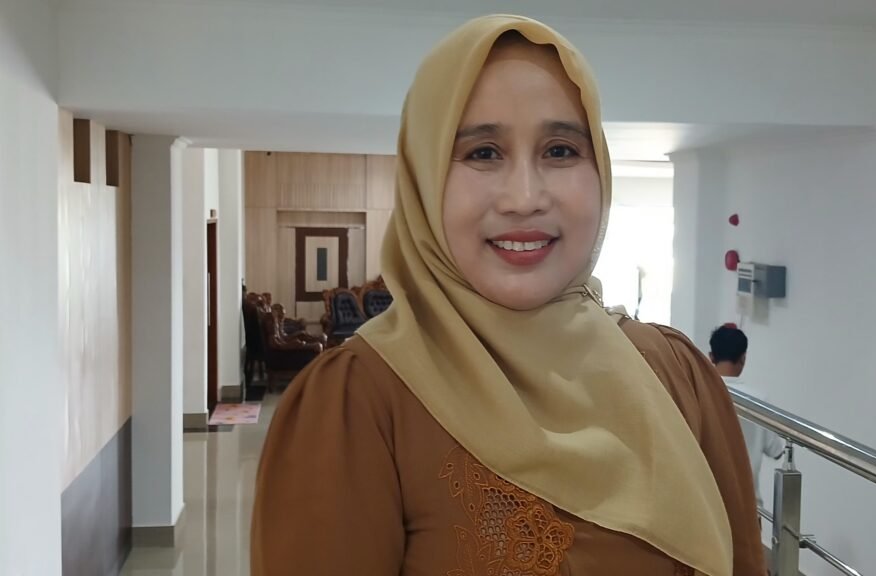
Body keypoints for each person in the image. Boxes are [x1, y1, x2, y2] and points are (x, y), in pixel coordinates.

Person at [252, 15, 763, 576]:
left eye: (561, 151)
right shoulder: (358, 404)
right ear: (424, 181)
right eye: (483, 153)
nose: (524, 197)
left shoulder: (673, 373)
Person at [710, 324, 786, 511]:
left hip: (708, 506)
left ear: (711, 357)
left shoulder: (699, 394)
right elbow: (776, 450)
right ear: (743, 358)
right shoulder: (758, 401)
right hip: (747, 506)